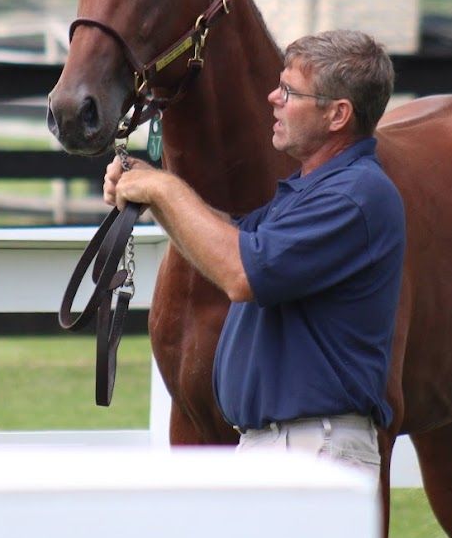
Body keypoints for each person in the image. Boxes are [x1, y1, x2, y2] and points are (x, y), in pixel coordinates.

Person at [103, 28, 406, 475]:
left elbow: (241, 272)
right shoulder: (313, 191)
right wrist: (153, 195)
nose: (272, 98)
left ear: (338, 115)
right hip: (287, 445)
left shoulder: (354, 195)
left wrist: (163, 187)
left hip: (312, 449)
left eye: (289, 91)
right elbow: (230, 239)